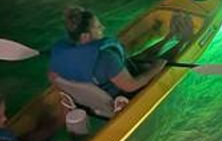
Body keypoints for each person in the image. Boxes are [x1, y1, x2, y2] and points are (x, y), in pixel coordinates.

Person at [48, 6, 192, 107]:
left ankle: (169, 37)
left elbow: (53, 77)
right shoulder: (105, 58)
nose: (103, 28)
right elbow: (131, 86)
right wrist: (157, 68)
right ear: (85, 36)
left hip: (97, 91)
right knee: (157, 64)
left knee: (134, 59)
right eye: (98, 27)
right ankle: (184, 41)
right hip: (120, 96)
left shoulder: (63, 52)